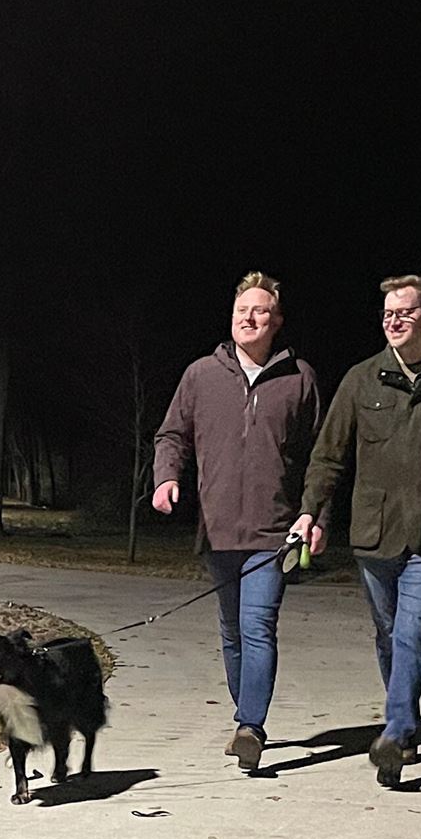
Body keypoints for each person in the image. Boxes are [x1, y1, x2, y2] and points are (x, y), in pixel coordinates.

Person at [300, 275, 421, 787]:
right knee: (389, 635)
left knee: (410, 632)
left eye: (405, 312)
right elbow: (328, 456)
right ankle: (404, 726)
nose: (394, 321)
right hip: (374, 532)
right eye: (388, 313)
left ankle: (395, 733)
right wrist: (310, 511)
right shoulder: (361, 380)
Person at [152, 271, 326, 771]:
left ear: (277, 320)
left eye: (259, 311)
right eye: (241, 311)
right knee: (231, 631)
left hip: (276, 530)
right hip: (218, 528)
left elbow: (322, 456)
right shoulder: (201, 375)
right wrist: (167, 477)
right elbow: (171, 435)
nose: (248, 319)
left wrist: (315, 513)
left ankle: (251, 726)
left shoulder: (300, 378)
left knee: (257, 625)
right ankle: (243, 716)